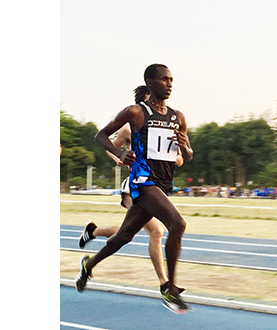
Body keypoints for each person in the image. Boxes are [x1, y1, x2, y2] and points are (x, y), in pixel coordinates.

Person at [75, 64, 193, 314]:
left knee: (123, 237)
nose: (169, 84)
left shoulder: (178, 117)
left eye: (171, 80)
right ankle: (169, 288)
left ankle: (89, 265)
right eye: (163, 79)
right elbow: (101, 136)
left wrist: (186, 147)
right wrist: (119, 153)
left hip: (163, 184)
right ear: (150, 82)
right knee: (177, 224)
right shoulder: (136, 113)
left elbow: (188, 156)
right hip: (142, 181)